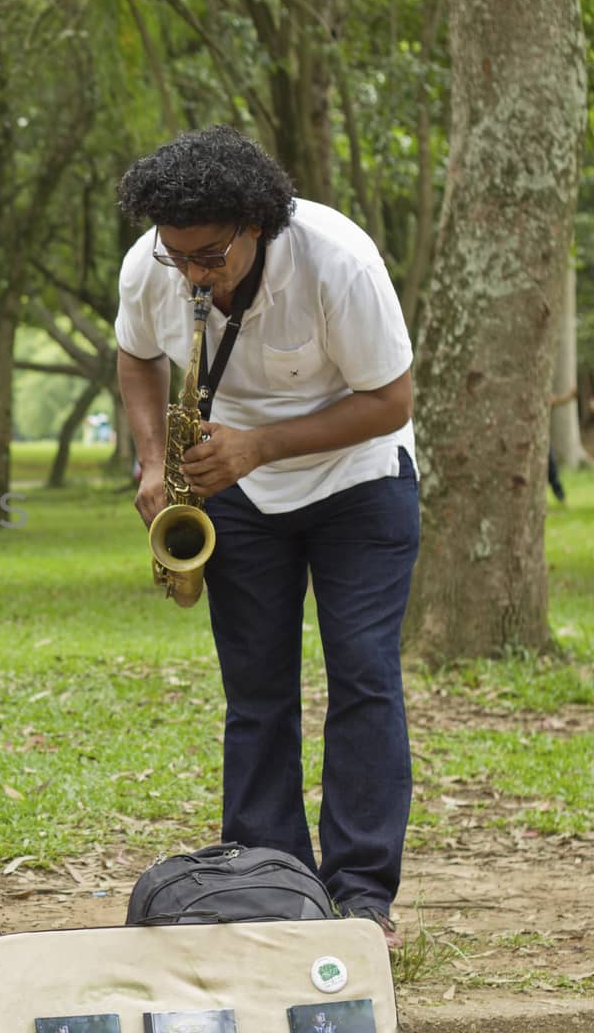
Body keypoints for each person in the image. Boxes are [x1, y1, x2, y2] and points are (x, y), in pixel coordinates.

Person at [114, 126, 418, 949]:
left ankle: (362, 901)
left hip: (357, 482)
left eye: (210, 256)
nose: (193, 275)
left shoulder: (338, 261)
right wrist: (152, 460)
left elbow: (391, 400)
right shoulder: (156, 263)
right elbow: (136, 356)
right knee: (256, 695)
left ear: (257, 223)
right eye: (178, 257)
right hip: (234, 487)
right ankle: (269, 883)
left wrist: (259, 445)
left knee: (362, 678)